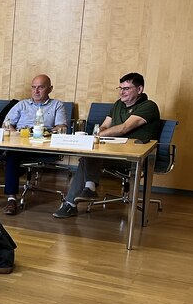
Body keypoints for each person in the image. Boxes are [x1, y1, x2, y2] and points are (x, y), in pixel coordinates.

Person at [53, 72, 160, 219]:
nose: (122, 92)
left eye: (127, 89)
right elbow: (104, 126)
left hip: (136, 157)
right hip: (114, 153)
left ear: (139, 89)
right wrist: (100, 133)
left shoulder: (149, 106)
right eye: (120, 88)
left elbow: (124, 128)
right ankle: (80, 195)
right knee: (89, 153)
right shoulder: (117, 105)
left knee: (89, 152)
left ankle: (76, 199)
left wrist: (96, 136)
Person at [2, 74, 68, 215]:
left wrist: (46, 131)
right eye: (33, 87)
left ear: (50, 89)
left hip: (44, 147)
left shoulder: (57, 105)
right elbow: (6, 124)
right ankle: (11, 199)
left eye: (41, 87)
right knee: (11, 155)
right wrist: (16, 135)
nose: (36, 91)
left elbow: (61, 127)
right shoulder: (21, 104)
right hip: (21, 144)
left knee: (12, 159)